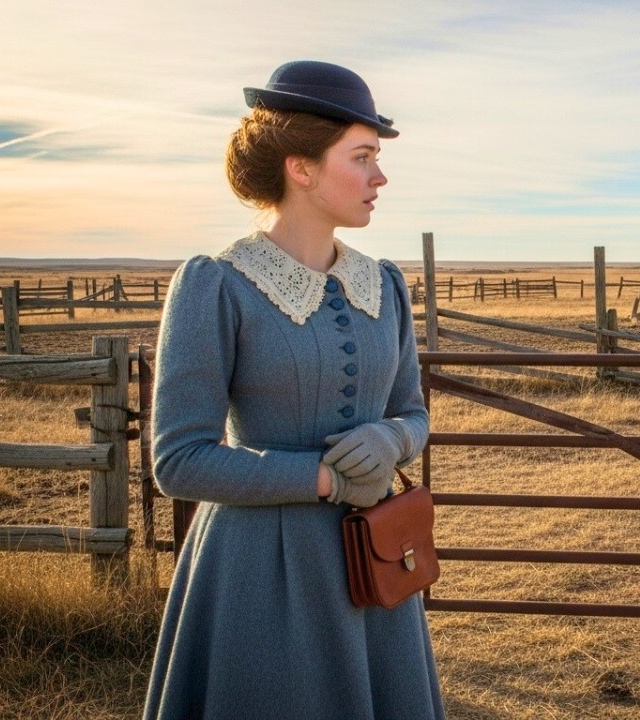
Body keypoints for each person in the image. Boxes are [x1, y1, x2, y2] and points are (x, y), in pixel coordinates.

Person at [143, 60, 443, 720]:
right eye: (361, 156)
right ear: (300, 168)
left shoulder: (384, 284)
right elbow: (179, 459)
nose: (379, 176)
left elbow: (413, 413)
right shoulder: (215, 285)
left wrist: (390, 437)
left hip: (374, 570)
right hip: (258, 579)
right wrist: (327, 481)